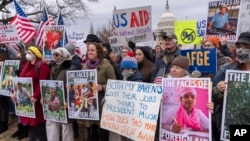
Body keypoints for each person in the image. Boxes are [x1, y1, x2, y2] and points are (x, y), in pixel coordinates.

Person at [212, 31, 250, 141]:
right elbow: (212, 95)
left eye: (246, 46)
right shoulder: (227, 68)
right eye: (238, 46)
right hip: (232, 124)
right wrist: (218, 90)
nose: (241, 50)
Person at [11, 46, 50, 140]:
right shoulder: (27, 64)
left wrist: (36, 96)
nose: (27, 54)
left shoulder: (42, 66)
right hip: (29, 98)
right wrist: (14, 92)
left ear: (35, 54)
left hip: (36, 99)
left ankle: (40, 138)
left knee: (38, 121)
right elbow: (21, 79)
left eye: (29, 52)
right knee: (31, 121)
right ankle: (32, 137)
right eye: (27, 52)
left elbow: (42, 83)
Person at [80, 42, 116, 141]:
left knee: (103, 132)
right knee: (92, 132)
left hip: (102, 104)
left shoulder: (106, 66)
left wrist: (103, 87)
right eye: (88, 50)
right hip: (90, 104)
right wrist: (73, 86)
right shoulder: (84, 66)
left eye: (92, 50)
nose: (89, 52)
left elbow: (114, 84)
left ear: (98, 52)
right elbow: (81, 83)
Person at [46, 47, 74, 141]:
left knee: (66, 125)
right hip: (54, 97)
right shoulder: (53, 67)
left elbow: (73, 86)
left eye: (57, 54)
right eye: (53, 54)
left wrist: (69, 100)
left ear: (63, 56)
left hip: (65, 100)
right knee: (52, 122)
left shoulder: (69, 68)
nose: (54, 56)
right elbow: (50, 83)